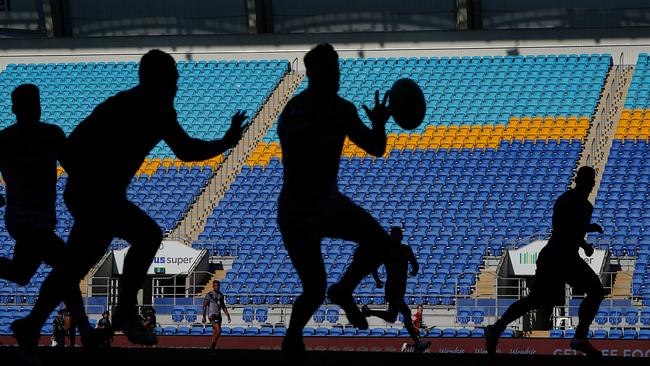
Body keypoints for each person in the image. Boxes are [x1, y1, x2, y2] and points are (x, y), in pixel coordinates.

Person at [12, 49, 248, 350]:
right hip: (96, 196)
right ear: (158, 79)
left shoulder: (152, 109)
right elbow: (70, 151)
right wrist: (96, 183)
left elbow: (186, 150)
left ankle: (30, 324)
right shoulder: (128, 106)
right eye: (173, 78)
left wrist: (226, 141)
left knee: (72, 267)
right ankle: (123, 311)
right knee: (146, 235)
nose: (177, 84)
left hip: (94, 196)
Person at [277, 43, 393, 355]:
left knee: (382, 242)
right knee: (314, 290)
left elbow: (376, 147)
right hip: (297, 212)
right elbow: (294, 141)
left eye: (338, 69)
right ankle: (292, 338)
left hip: (327, 203)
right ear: (316, 74)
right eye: (332, 70)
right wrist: (325, 121)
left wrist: (380, 123)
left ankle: (343, 290)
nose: (338, 76)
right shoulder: (295, 111)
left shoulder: (343, 109)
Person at [485, 166, 605, 356]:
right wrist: (587, 228)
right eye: (587, 180)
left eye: (591, 181)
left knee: (594, 292)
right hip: (556, 256)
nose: (590, 185)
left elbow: (572, 233)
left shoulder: (586, 206)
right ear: (578, 180)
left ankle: (496, 329)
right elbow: (561, 228)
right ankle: (579, 337)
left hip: (567, 257)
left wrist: (583, 245)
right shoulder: (565, 200)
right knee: (537, 300)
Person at [0, 84, 66, 286]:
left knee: (21, 274)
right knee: (66, 266)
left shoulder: (51, 135)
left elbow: (75, 166)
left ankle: (44, 318)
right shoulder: (51, 135)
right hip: (26, 221)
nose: (34, 109)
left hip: (38, 219)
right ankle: (78, 317)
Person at [361, 227, 431, 353]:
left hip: (399, 289)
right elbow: (415, 266)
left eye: (396, 236)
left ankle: (369, 312)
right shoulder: (394, 251)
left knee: (391, 317)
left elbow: (415, 265)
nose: (395, 238)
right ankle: (418, 343)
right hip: (392, 290)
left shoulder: (403, 250)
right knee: (406, 312)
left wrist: (378, 282)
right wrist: (378, 281)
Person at [202, 280, 231, 350]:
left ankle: (212, 348)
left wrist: (228, 315)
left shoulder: (221, 295)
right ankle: (212, 347)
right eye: (215, 285)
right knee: (219, 331)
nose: (216, 287)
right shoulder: (209, 295)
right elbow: (204, 306)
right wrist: (204, 316)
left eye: (218, 286)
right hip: (212, 315)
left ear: (219, 286)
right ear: (213, 286)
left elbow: (223, 306)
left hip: (218, 315)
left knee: (215, 332)